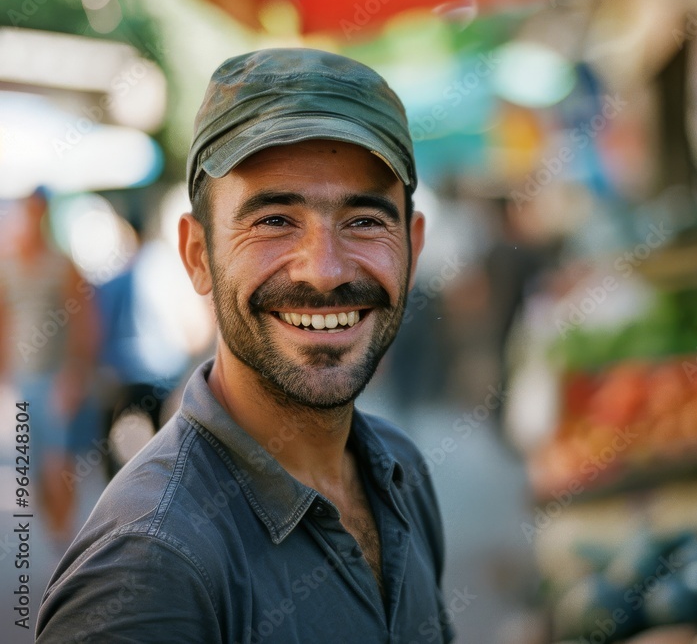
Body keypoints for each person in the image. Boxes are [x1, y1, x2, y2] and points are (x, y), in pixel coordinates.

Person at [37, 48, 453, 643]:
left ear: (412, 248)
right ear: (197, 256)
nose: (325, 271)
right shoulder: (148, 569)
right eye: (275, 220)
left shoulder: (401, 472)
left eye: (364, 220)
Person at [0, 187, 100, 544]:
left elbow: (84, 321)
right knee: (32, 466)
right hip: (25, 379)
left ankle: (65, 540)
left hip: (57, 377)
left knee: (59, 463)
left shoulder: (62, 264)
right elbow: (4, 321)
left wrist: (75, 374)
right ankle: (55, 537)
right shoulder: (8, 266)